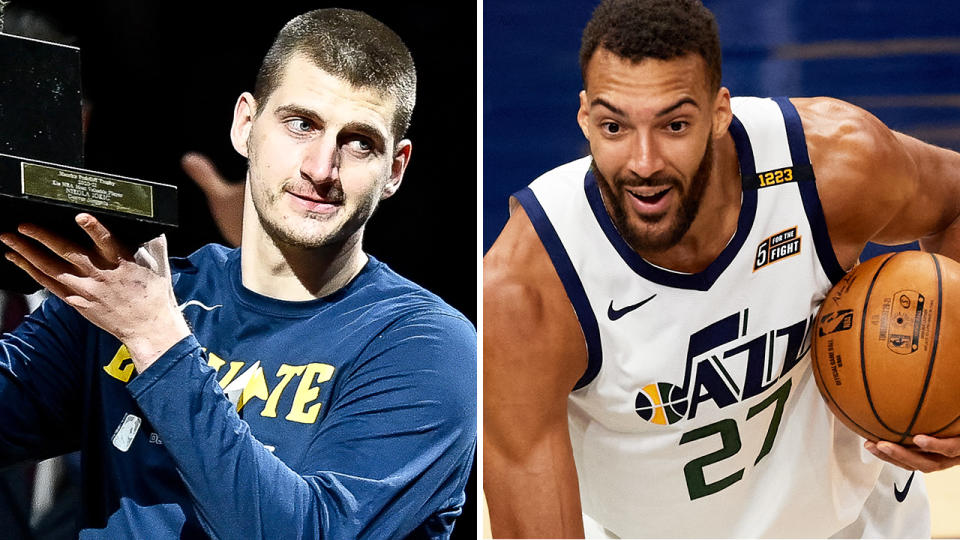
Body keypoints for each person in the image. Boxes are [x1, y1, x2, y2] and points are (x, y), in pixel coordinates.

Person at [483, 0, 960, 537]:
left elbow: (954, 201)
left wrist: (952, 390)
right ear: (585, 117)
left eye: (675, 124)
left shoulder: (828, 167)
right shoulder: (527, 290)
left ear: (719, 114)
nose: (643, 163)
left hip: (860, 522)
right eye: (614, 126)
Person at [0, 8, 476, 539]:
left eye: (359, 141)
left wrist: (156, 338)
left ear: (395, 169)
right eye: (301, 124)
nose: (322, 168)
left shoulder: (425, 344)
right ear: (245, 125)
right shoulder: (149, 294)